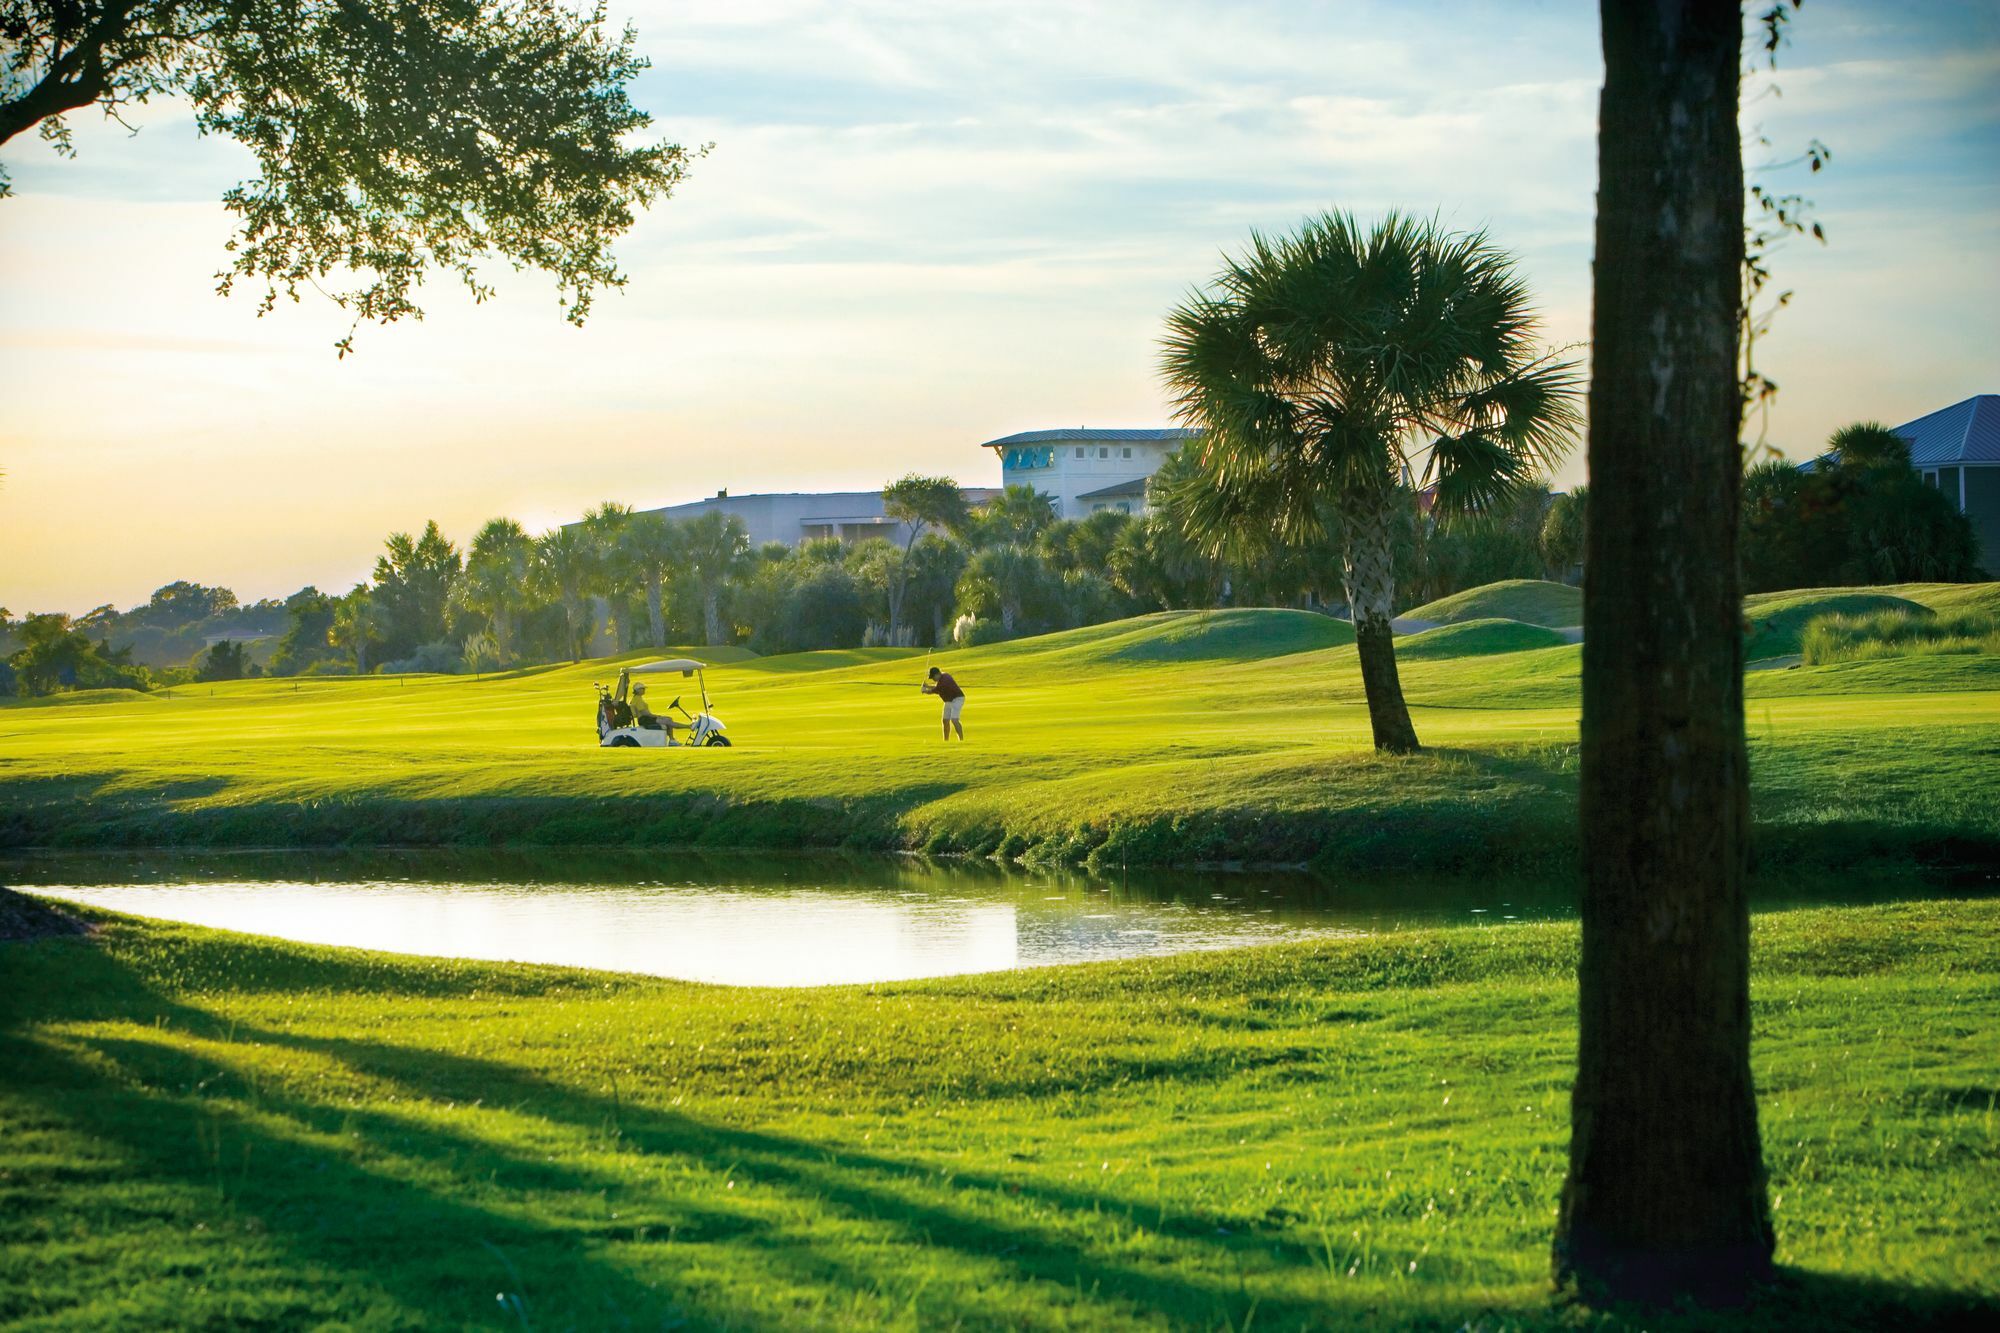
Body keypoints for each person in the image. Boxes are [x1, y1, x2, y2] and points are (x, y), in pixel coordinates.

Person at [921, 665, 965, 741]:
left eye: (933, 677)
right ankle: (946, 741)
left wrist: (925, 690)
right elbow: (937, 687)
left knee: (954, 719)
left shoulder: (945, 680)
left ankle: (961, 740)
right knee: (945, 720)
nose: (933, 679)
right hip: (949, 700)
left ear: (938, 674)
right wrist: (927, 686)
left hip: (957, 698)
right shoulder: (943, 677)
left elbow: (935, 690)